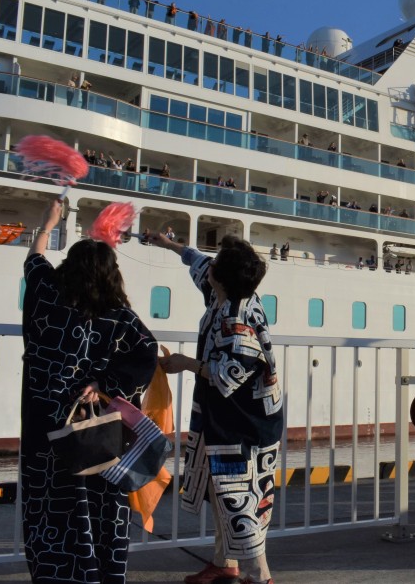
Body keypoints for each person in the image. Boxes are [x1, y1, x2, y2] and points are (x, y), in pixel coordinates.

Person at [20, 199, 158, 583]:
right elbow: (146, 352)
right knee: (101, 502)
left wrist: (48, 224)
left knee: (47, 504)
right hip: (97, 427)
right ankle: (102, 572)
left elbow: (34, 263)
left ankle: (55, 574)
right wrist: (104, 384)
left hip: (45, 426)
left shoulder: (47, 296)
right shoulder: (119, 315)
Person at [148, 233, 281, 584]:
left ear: (221, 278)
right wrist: (167, 244)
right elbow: (198, 261)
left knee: (239, 494)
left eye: (217, 263)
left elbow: (228, 375)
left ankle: (260, 574)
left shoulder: (237, 322)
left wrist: (186, 363)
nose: (210, 266)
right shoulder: (226, 292)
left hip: (245, 423)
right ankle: (225, 562)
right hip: (227, 417)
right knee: (221, 490)